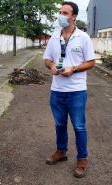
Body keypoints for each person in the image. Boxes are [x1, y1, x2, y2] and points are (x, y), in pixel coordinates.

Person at [43, 1, 95, 178]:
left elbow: (91, 62)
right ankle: (61, 151)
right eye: (60, 11)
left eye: (64, 13)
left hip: (76, 91)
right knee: (59, 124)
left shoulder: (83, 37)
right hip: (56, 90)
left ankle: (82, 159)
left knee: (79, 126)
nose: (60, 15)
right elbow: (47, 59)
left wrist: (73, 69)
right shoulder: (54, 37)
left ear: (73, 17)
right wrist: (51, 67)